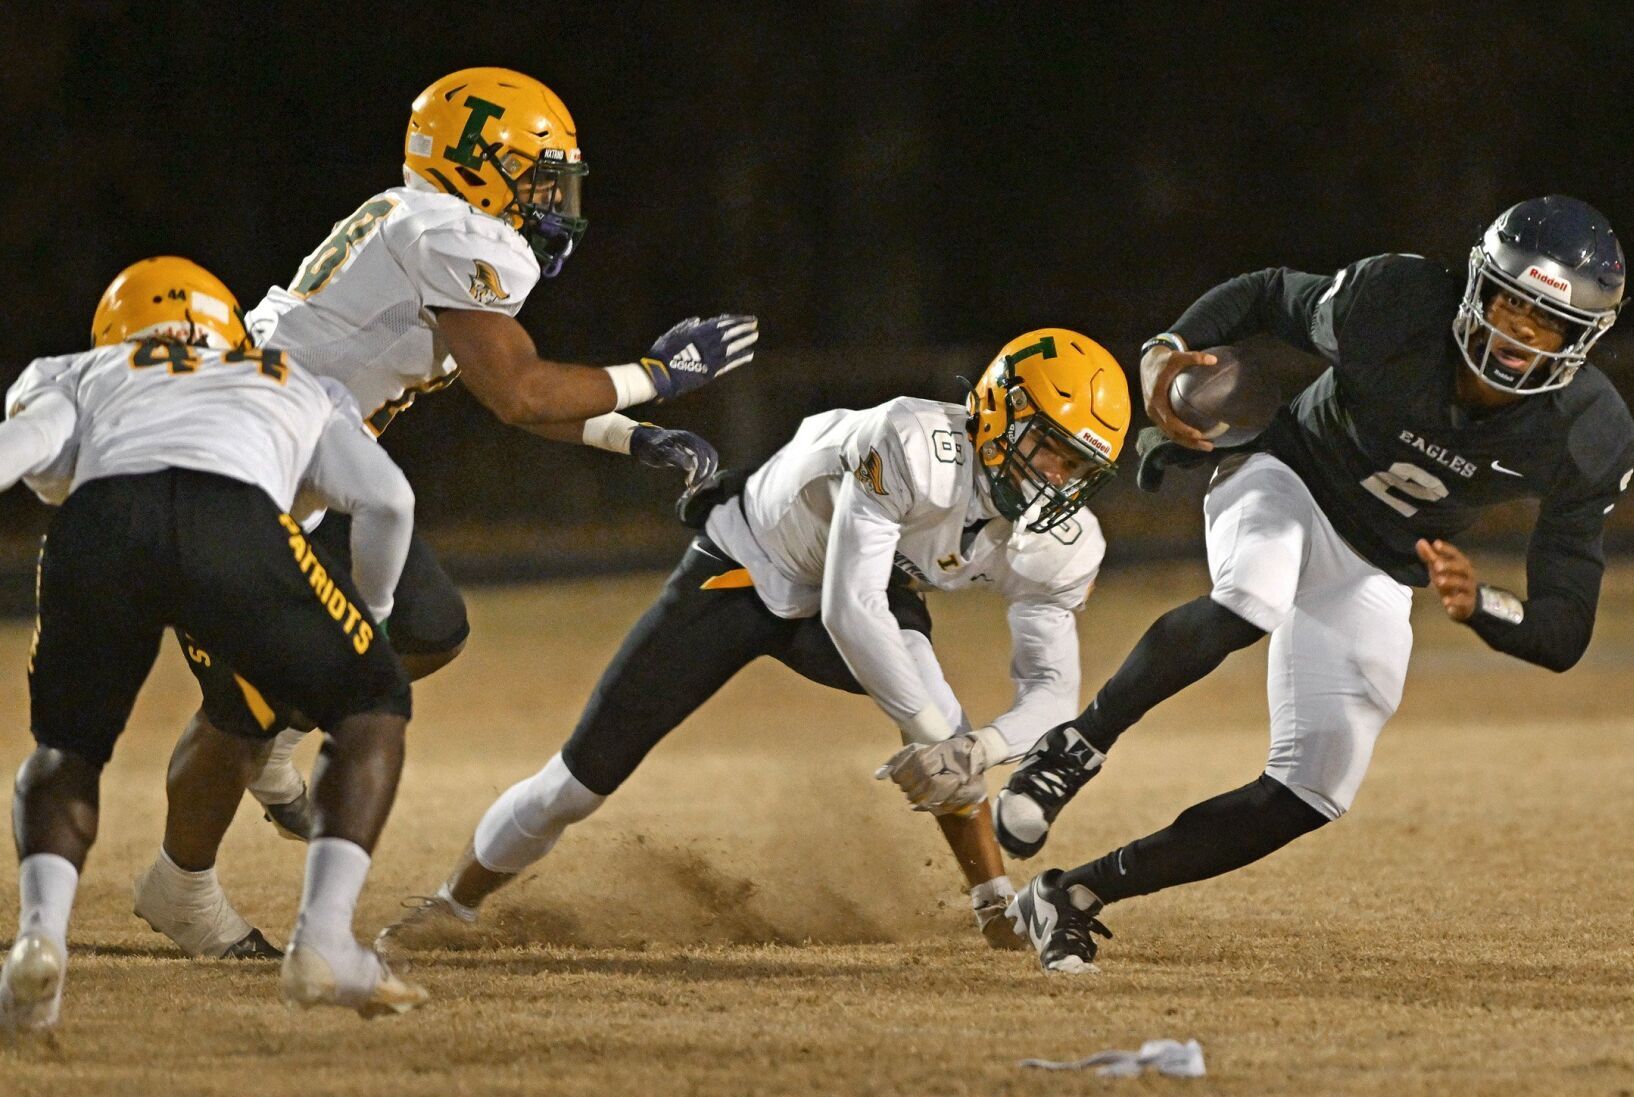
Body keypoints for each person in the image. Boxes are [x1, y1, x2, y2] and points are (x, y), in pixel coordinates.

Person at [130, 66, 758, 959]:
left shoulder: (429, 224)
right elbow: (518, 391)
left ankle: (286, 722)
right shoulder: (454, 235)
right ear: (475, 168)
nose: (554, 199)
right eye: (538, 176)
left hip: (317, 464)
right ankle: (179, 888)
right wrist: (658, 378)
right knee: (241, 704)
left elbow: (486, 372)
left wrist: (626, 437)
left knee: (427, 625)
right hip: (236, 466)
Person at [991, 196, 1634, 973]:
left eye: (1544, 323)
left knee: (1316, 786)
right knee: (1251, 593)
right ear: (1475, 285)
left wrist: (1483, 607)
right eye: (1507, 301)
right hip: (1287, 476)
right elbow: (1267, 294)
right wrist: (1169, 348)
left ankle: (1072, 895)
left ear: (1581, 341)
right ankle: (1071, 749)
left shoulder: (1587, 433)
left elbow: (1563, 630)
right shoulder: (1396, 302)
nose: (1514, 332)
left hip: (1380, 561)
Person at [381, 329, 1129, 949]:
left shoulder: (1063, 543)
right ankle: (453, 903)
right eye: (1050, 451)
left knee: (947, 726)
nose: (1056, 483)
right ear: (999, 415)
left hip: (863, 577)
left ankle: (995, 907)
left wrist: (975, 751)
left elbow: (1052, 693)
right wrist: (936, 737)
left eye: (1078, 468)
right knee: (576, 783)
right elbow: (849, 608)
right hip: (747, 563)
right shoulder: (913, 444)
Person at [0, 257, 426, 1032]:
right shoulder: (288, 376)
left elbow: (21, 454)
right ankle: (325, 938)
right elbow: (388, 499)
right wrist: (374, 618)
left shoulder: (80, 370)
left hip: (101, 524)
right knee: (372, 704)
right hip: (233, 519)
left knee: (66, 750)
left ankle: (39, 940)